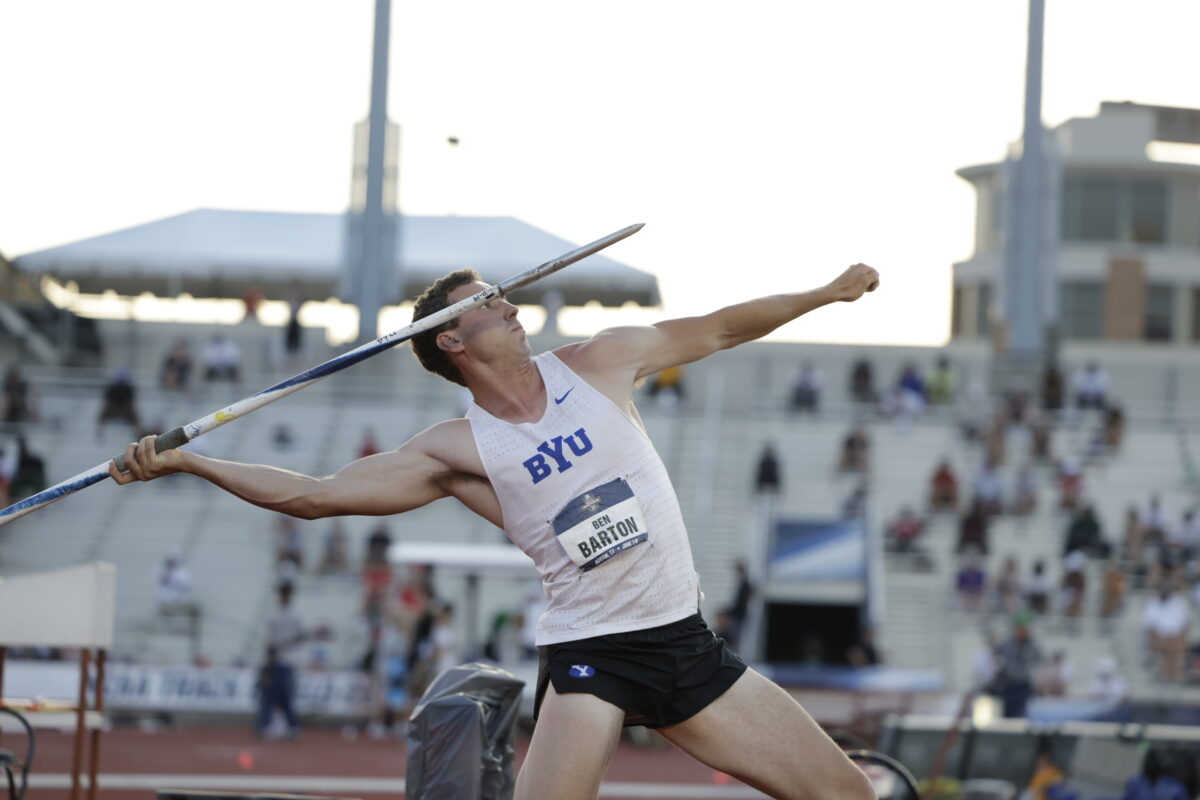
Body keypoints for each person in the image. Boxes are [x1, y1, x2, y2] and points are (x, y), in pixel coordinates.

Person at [110, 261, 882, 800]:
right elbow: (318, 496)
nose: (511, 304)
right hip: (592, 657)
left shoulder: (601, 363)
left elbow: (716, 330)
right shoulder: (456, 449)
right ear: (453, 340)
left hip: (683, 643)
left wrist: (825, 293)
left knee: (847, 793)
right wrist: (192, 465)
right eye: (490, 300)